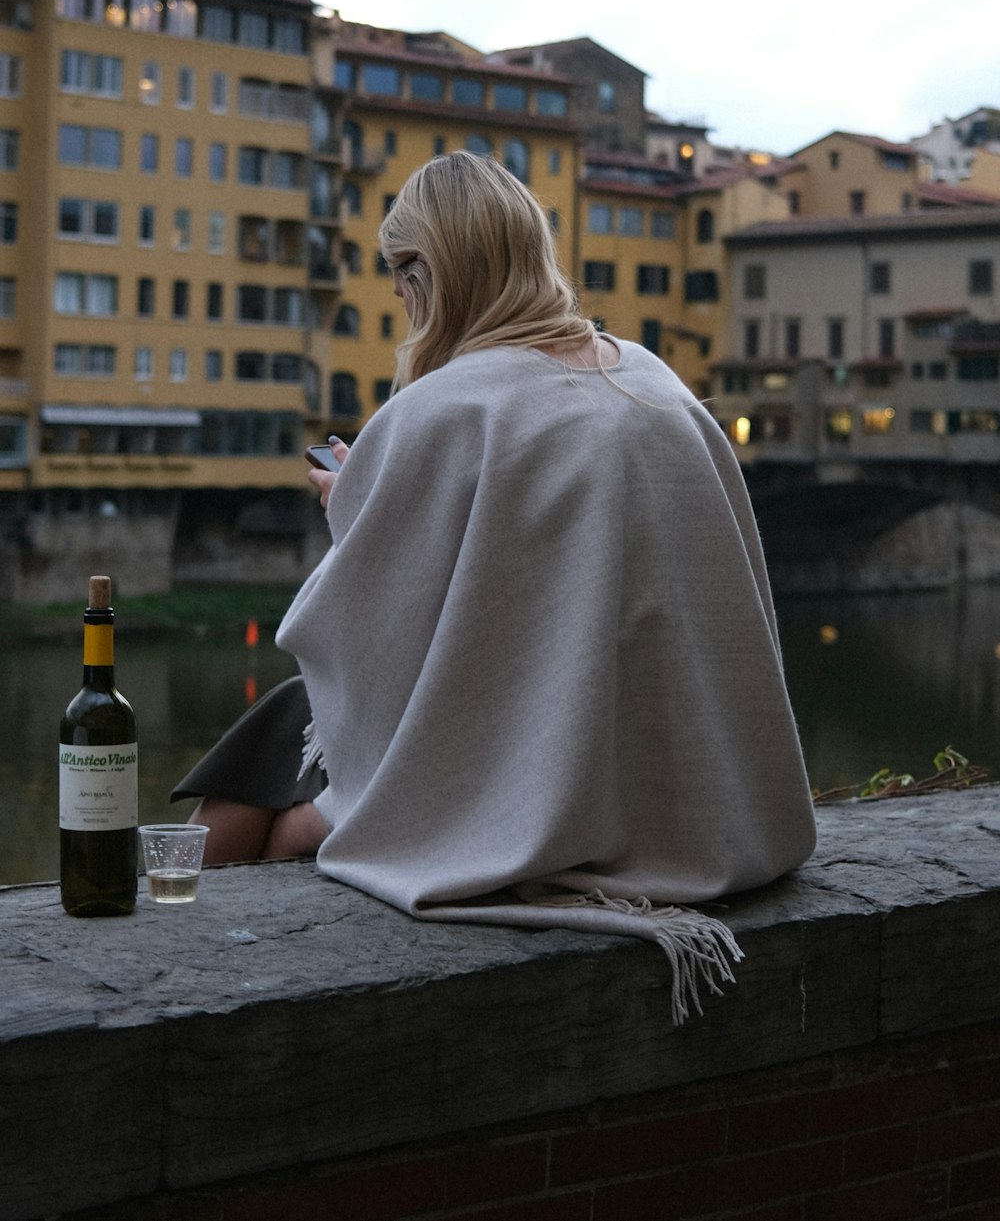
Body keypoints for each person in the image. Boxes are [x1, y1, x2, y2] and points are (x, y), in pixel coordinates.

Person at [174, 151, 815, 1022]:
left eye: (403, 277)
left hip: (541, 776)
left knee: (275, 759)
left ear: (425, 274)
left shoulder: (445, 410)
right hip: (698, 794)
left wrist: (353, 498)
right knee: (282, 745)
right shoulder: (658, 381)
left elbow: (375, 621)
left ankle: (175, 963)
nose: (402, 302)